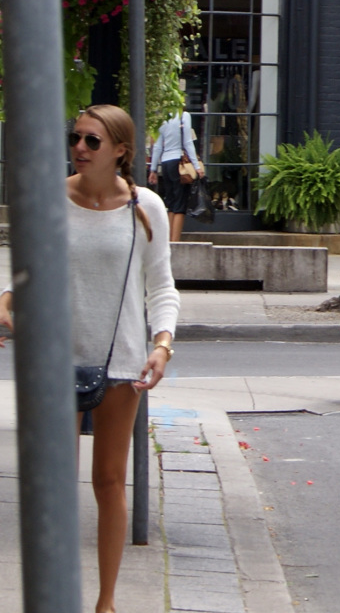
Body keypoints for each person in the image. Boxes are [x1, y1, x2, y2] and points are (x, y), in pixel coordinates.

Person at [1, 104, 179, 613]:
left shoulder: (145, 206)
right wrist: (7, 301)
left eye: (92, 141)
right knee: (55, 483)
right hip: (52, 360)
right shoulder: (50, 199)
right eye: (75, 138)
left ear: (120, 150)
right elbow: (30, 272)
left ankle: (105, 603)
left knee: (108, 480)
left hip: (121, 361)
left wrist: (162, 345)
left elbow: (161, 285)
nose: (79, 148)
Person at [147, 110, 204, 241]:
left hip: (166, 164)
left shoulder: (163, 117)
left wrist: (153, 169)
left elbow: (157, 147)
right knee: (180, 204)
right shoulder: (184, 116)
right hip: (179, 164)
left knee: (171, 202)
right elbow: (187, 142)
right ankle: (175, 241)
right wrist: (196, 166)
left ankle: (168, 240)